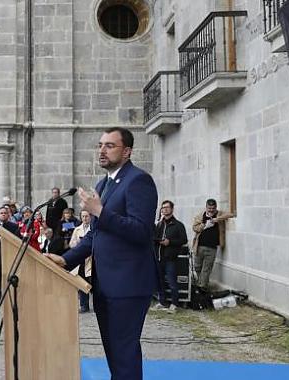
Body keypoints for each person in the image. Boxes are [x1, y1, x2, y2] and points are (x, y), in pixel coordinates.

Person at [50, 127, 158, 380]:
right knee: (113, 352)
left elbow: (141, 231)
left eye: (110, 145)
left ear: (127, 151)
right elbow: (95, 235)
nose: (102, 150)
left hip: (128, 284)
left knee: (124, 351)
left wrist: (100, 211)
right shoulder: (104, 183)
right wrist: (67, 259)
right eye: (100, 145)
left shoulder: (138, 180)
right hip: (105, 284)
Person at [152, 200, 188, 313]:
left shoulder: (178, 225)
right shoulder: (159, 224)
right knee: (160, 281)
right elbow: (153, 237)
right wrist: (158, 241)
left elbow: (183, 240)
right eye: (163, 208)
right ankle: (162, 302)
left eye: (167, 207)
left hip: (170, 258)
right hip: (159, 256)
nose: (165, 209)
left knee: (172, 282)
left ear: (172, 209)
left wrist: (170, 242)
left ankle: (174, 304)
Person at [191, 199, 233, 290]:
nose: (211, 210)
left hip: (212, 248)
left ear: (216, 207)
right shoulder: (200, 215)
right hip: (199, 246)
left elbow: (231, 214)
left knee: (206, 269)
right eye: (209, 208)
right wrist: (205, 225)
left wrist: (216, 219)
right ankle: (200, 284)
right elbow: (195, 228)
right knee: (197, 267)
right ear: (206, 207)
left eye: (213, 208)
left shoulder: (219, 213)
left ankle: (202, 287)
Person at [68, 210, 93, 313]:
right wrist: (79, 244)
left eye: (86, 216)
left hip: (92, 258)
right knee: (82, 282)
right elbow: (71, 244)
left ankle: (97, 304)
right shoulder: (77, 230)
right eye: (83, 216)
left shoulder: (94, 228)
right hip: (82, 259)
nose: (85, 218)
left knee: (93, 282)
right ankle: (84, 305)